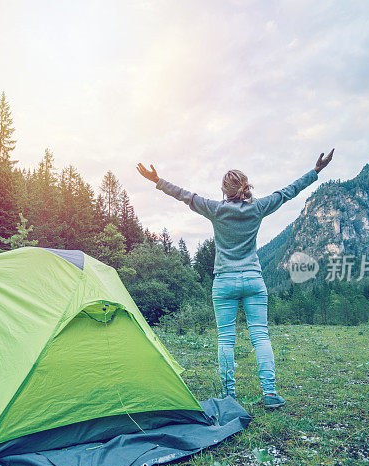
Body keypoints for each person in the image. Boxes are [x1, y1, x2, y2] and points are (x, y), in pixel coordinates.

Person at [136, 149, 334, 409]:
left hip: (224, 282)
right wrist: (316, 171)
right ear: (245, 187)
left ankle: (229, 395)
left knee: (226, 339)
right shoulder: (259, 207)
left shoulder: (216, 210)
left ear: (224, 189)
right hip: (253, 279)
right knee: (260, 337)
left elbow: (184, 195)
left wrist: (157, 181)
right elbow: (288, 192)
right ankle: (270, 393)